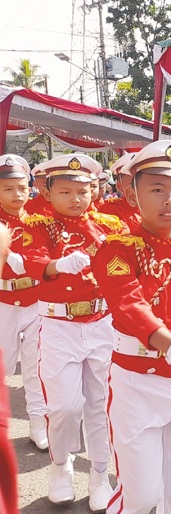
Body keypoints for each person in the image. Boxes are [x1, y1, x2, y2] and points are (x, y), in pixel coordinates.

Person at [92, 140, 171, 514]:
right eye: (157, 190)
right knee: (141, 496)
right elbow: (128, 303)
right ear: (132, 192)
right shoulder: (117, 248)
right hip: (138, 381)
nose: (170, 201)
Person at [21, 153, 126, 509]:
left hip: (101, 324)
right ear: (48, 193)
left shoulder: (109, 226)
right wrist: (56, 265)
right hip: (57, 325)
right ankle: (60, 465)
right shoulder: (38, 226)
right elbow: (30, 259)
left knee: (100, 405)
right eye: (65, 191)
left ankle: (100, 473)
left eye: (83, 191)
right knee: (65, 406)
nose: (75, 199)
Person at [0, 155, 47, 451]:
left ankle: (38, 424)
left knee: (35, 367)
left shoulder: (40, 220)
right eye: (8, 189)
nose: (17, 195)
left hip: (35, 301)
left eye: (21, 188)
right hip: (3, 301)